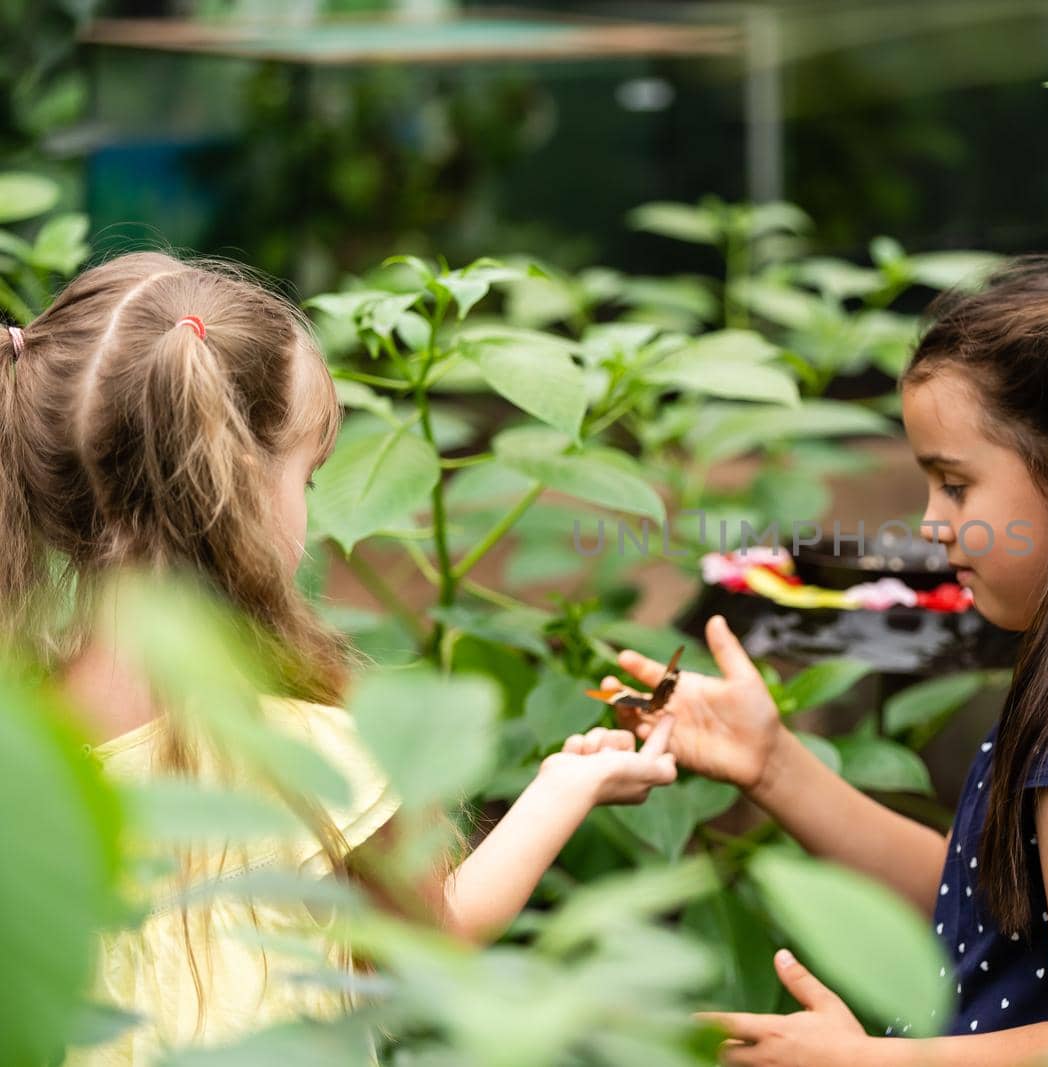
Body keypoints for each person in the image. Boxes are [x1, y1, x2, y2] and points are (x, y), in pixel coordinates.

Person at [0, 252, 679, 1065]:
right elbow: (441, 942)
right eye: (309, 477)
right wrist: (572, 782)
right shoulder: (312, 752)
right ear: (240, 489)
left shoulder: (24, 741)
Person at [598, 256, 1048, 1065]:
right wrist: (775, 763)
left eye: (954, 484)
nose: (932, 521)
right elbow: (990, 902)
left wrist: (864, 1061)